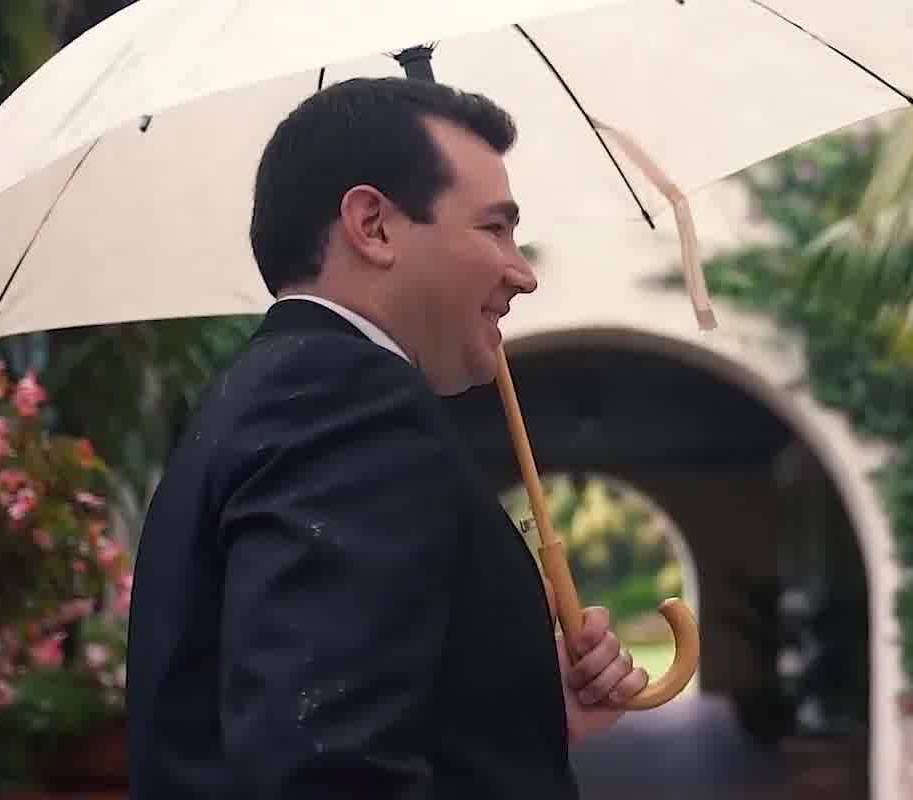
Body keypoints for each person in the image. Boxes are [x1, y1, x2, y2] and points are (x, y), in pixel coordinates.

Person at [125, 77, 647, 798]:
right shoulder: (347, 403)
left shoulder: (259, 391)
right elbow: (324, 771)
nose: (522, 273)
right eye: (494, 227)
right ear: (371, 225)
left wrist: (518, 702)